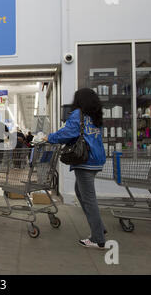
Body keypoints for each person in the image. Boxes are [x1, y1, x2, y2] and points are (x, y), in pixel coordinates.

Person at [44, 88, 107, 249]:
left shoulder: (78, 114)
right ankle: (99, 227)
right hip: (97, 159)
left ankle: (97, 238)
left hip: (85, 159)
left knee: (88, 198)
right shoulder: (95, 115)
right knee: (80, 192)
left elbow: (67, 133)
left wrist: (49, 137)